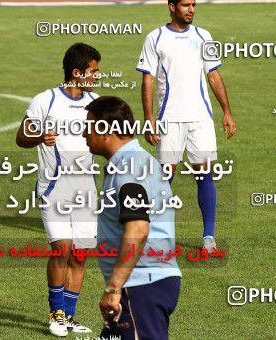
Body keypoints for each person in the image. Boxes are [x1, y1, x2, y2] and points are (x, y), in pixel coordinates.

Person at [136, 0, 237, 253]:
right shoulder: (155, 37)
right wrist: (149, 118)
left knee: (204, 175)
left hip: (201, 118)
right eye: (185, 5)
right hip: (169, 119)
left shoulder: (204, 35)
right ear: (171, 6)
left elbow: (213, 74)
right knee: (165, 177)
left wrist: (226, 111)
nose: (191, 9)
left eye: (194, 4)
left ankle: (208, 238)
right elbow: (147, 79)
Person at [15, 42, 101, 337]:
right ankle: (56, 315)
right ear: (76, 72)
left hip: (86, 189)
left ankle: (70, 317)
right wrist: (40, 136)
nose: (96, 77)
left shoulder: (96, 102)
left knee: (79, 254)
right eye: (93, 71)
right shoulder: (45, 100)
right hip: (53, 189)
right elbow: (21, 137)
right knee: (61, 249)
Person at [83, 96, 182, 339]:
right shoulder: (134, 162)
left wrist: (114, 287)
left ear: (106, 130)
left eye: (89, 126)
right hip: (143, 283)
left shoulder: (128, 168)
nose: (84, 134)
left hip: (141, 286)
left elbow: (138, 229)